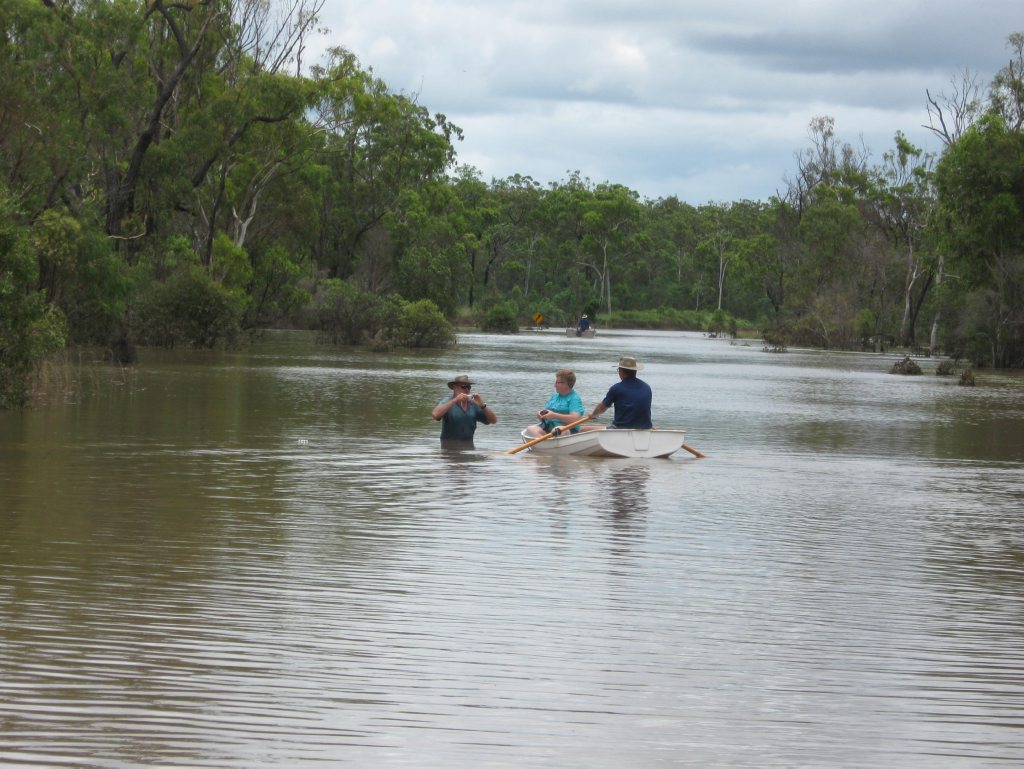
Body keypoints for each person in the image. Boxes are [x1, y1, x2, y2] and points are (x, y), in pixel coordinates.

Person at [585, 355, 653, 429]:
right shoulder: (647, 387)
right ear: (635, 371)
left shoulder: (616, 388)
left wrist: (593, 414)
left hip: (620, 429)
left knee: (583, 429)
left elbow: (602, 407)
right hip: (645, 429)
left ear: (622, 372)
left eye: (619, 370)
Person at [431, 374, 497, 442]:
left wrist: (482, 405)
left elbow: (493, 421)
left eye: (469, 387)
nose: (467, 390)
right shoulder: (447, 401)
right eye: (464, 387)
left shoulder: (473, 405)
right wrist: (455, 400)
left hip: (468, 446)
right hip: (448, 447)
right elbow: (435, 415)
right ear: (455, 387)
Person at [524, 369, 585, 438]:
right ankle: (546, 445)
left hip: (566, 430)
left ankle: (547, 445)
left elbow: (575, 419)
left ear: (566, 384)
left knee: (558, 430)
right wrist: (542, 415)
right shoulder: (555, 396)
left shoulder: (574, 398)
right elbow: (548, 413)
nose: (555, 385)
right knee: (530, 429)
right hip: (549, 427)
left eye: (557, 383)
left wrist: (554, 416)